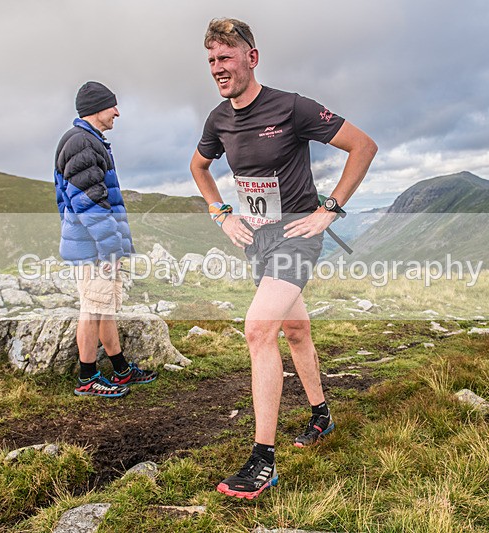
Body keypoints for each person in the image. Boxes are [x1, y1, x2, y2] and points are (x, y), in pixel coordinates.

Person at [190, 19, 377, 499]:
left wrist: (328, 210)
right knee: (295, 330)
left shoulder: (291, 106)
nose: (218, 68)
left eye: (226, 57)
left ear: (251, 58)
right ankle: (321, 416)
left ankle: (263, 461)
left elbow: (363, 146)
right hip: (259, 240)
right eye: (211, 60)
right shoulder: (218, 120)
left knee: (258, 329)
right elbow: (199, 166)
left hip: (298, 235)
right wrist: (221, 214)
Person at [54, 81, 157, 397]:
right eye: (113, 106)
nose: (117, 112)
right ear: (98, 108)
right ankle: (88, 378)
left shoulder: (89, 141)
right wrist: (111, 250)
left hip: (98, 247)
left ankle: (121, 370)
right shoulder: (82, 143)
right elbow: (90, 203)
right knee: (92, 308)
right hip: (93, 250)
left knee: (104, 308)